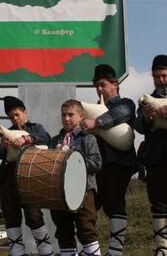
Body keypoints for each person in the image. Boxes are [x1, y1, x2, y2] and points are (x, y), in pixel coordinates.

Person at [81, 65, 137, 256]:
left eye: (103, 84)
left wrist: (96, 123)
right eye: (96, 85)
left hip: (118, 163)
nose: (99, 89)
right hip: (97, 166)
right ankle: (91, 249)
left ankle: (115, 250)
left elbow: (120, 114)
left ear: (115, 85)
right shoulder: (93, 109)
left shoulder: (126, 104)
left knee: (114, 203)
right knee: (88, 207)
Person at [0, 96, 54, 256]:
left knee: (34, 216)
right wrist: (3, 146)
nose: (15, 119)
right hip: (8, 179)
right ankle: (17, 253)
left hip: (29, 179)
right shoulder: (8, 133)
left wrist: (28, 138)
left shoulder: (35, 128)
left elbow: (46, 138)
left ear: (25, 113)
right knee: (11, 217)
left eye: (17, 115)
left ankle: (46, 252)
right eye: (11, 116)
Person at [50, 99, 102, 256]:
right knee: (63, 229)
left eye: (70, 115)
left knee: (86, 227)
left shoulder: (88, 139)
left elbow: (96, 162)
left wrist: (72, 162)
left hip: (84, 190)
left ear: (81, 116)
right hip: (59, 193)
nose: (66, 118)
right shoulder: (54, 140)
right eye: (63, 115)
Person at [134, 55, 167, 256]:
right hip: (155, 160)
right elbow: (137, 126)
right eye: (157, 76)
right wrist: (146, 119)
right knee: (159, 203)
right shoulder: (146, 100)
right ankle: (163, 248)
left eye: (164, 75)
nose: (161, 80)